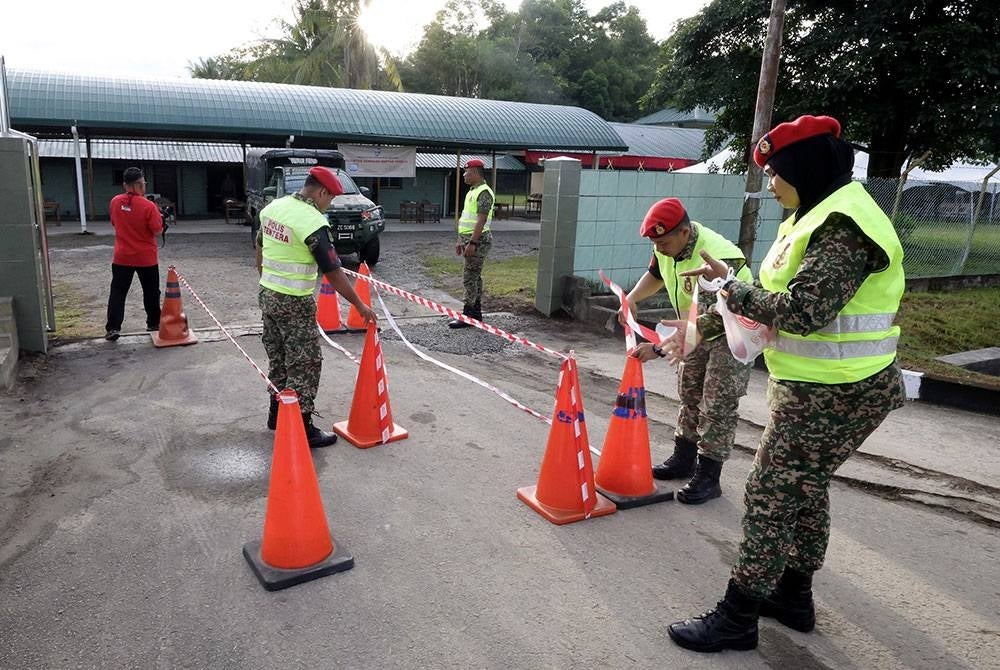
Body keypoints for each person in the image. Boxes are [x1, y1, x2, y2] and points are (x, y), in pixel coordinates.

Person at [660, 115, 906, 653]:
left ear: (803, 166)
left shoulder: (843, 223)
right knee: (804, 489)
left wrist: (731, 289)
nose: (769, 183)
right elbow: (764, 310)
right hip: (817, 386)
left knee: (772, 493)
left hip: (837, 392)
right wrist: (699, 329)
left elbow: (803, 309)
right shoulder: (810, 217)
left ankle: (738, 615)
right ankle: (793, 595)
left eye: (774, 171)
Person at [622, 198, 753, 504]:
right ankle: (684, 459)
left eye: (664, 242)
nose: (659, 248)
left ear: (684, 232)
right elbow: (655, 274)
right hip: (694, 326)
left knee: (716, 401)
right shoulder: (666, 246)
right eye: (655, 243)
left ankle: (709, 476)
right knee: (690, 390)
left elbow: (718, 316)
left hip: (732, 331)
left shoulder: (716, 255)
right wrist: (631, 297)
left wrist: (658, 347)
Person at [255, 165, 377, 448]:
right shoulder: (312, 221)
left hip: (268, 296)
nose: (329, 204)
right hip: (294, 303)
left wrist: (264, 277)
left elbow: (259, 246)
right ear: (321, 191)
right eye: (330, 198)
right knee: (305, 364)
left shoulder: (274, 207)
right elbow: (333, 271)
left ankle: (277, 415)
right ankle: (302, 426)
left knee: (279, 358)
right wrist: (359, 304)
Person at [105, 167, 164, 341]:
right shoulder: (148, 206)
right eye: (143, 183)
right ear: (139, 184)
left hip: (122, 256)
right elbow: (157, 230)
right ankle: (153, 322)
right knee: (151, 291)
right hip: (145, 257)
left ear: (125, 185)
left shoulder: (115, 202)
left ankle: (113, 327)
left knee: (118, 292)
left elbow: (115, 223)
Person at [448, 158, 494, 329]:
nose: (464, 175)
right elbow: (467, 218)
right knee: (475, 278)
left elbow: (481, 221)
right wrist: (461, 239)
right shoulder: (472, 191)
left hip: (478, 241)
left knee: (469, 278)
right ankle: (476, 314)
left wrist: (473, 243)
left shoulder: (484, 192)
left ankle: (468, 316)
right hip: (469, 239)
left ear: (475, 172)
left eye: (466, 172)